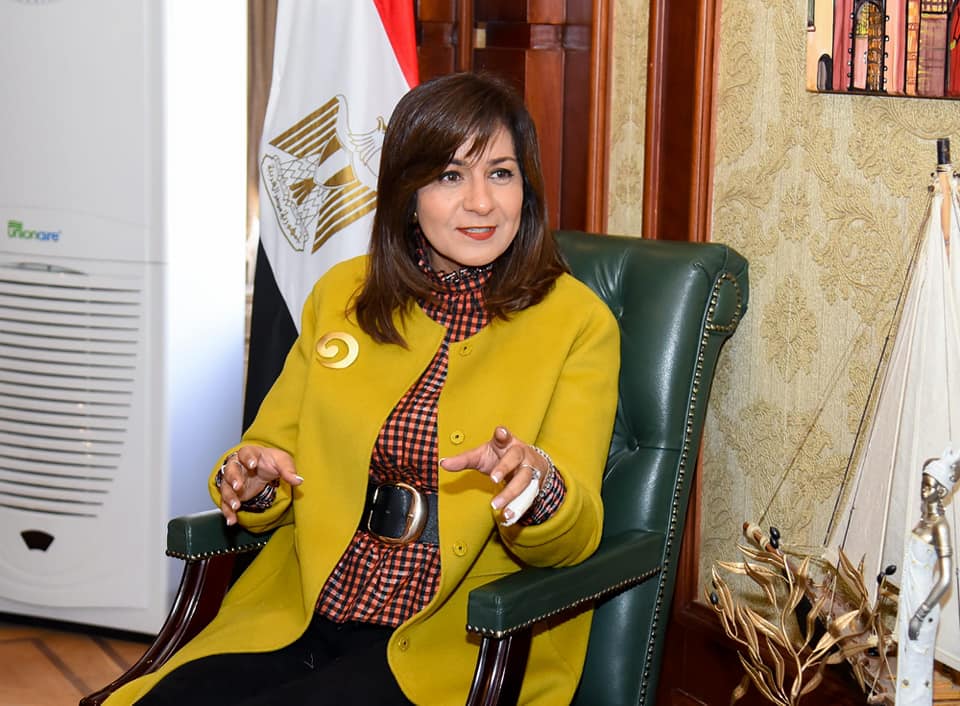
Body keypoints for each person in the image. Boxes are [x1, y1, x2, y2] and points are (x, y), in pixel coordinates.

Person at [105, 71, 620, 706]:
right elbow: (269, 458)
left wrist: (535, 486)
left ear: (527, 188)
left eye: (501, 173)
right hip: (304, 605)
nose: (482, 202)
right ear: (407, 191)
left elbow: (575, 535)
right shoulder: (343, 294)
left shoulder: (577, 322)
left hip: (452, 637)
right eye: (450, 175)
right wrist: (253, 477)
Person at [895, 447, 960, 706]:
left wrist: (920, 614)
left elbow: (945, 579)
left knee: (916, 666)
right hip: (910, 597)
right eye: (923, 484)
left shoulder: (939, 527)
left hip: (923, 603)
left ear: (941, 491)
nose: (924, 490)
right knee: (906, 664)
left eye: (929, 486)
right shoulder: (923, 522)